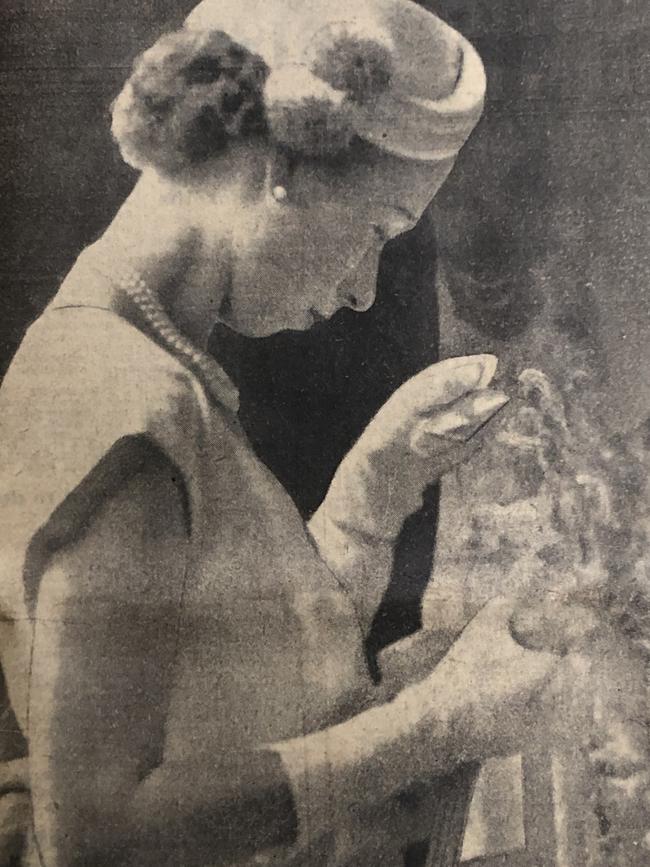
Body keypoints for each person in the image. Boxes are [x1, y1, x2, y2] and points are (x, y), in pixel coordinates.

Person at [0, 1, 558, 864]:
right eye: (379, 231)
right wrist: (437, 724)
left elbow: (234, 685)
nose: (365, 289)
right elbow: (97, 835)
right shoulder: (115, 396)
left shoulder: (155, 368)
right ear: (286, 168)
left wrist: (374, 491)